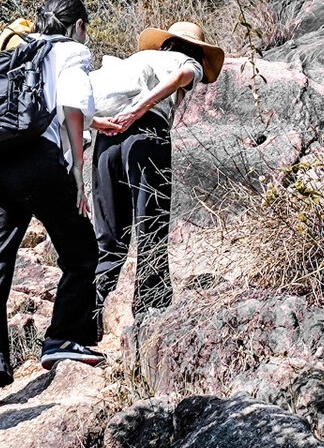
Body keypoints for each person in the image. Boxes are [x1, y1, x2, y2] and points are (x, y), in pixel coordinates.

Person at [0, 0, 105, 407]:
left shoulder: (17, 49)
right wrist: (77, 166)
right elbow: (75, 104)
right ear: (78, 25)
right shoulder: (71, 50)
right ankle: (62, 338)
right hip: (37, 162)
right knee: (80, 252)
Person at [90, 21, 224, 331]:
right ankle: (152, 314)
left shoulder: (136, 61)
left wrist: (101, 123)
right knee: (150, 223)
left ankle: (85, 321)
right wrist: (141, 107)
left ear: (164, 43)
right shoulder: (185, 60)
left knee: (109, 237)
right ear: (197, 51)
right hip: (146, 135)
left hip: (106, 138)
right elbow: (184, 76)